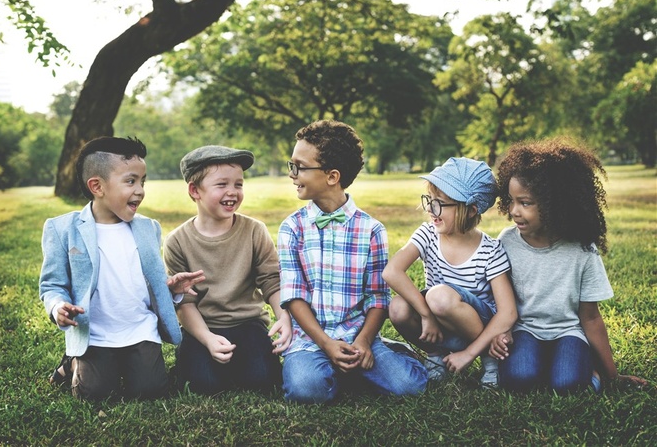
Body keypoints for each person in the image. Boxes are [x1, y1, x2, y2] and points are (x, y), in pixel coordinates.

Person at [39, 136, 203, 401]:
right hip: (96, 333)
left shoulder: (148, 228)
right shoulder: (62, 229)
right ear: (97, 186)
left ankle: (123, 364)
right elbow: (52, 285)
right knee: (93, 393)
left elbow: (150, 282)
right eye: (130, 181)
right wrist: (58, 306)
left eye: (142, 181)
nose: (140, 190)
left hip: (139, 328)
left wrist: (170, 287)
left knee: (150, 391)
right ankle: (71, 363)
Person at [278, 120, 428, 404]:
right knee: (306, 389)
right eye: (291, 165)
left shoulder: (372, 230)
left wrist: (364, 341)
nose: (291, 174)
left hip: (359, 336)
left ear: (332, 176)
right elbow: (294, 295)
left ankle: (383, 355)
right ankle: (338, 370)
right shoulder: (292, 228)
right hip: (311, 341)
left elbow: (377, 296)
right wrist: (326, 344)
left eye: (299, 167)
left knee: (409, 386)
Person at [490, 138, 648, 394]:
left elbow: (591, 317)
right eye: (511, 200)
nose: (514, 211)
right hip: (525, 330)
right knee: (518, 379)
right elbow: (499, 301)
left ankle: (589, 370)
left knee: (568, 384)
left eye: (525, 202)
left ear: (556, 204)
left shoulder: (582, 249)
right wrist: (501, 333)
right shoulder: (507, 242)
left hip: (568, 331)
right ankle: (551, 366)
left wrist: (613, 376)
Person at [164, 145, 291, 395]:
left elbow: (271, 282)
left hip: (248, 323)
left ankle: (240, 364)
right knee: (204, 385)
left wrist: (283, 316)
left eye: (238, 184)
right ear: (194, 190)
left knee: (262, 380)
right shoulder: (177, 241)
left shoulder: (255, 230)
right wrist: (208, 339)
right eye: (221, 185)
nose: (232, 192)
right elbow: (185, 302)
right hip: (203, 325)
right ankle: (194, 359)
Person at [383, 157, 517, 388]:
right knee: (398, 307)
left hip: (480, 329)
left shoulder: (490, 251)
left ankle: (490, 361)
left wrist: (471, 353)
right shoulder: (428, 234)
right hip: (439, 321)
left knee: (439, 296)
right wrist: (425, 315)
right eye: (429, 201)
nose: (430, 210)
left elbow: (507, 313)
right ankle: (436, 356)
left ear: (471, 209)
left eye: (440, 204)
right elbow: (392, 271)